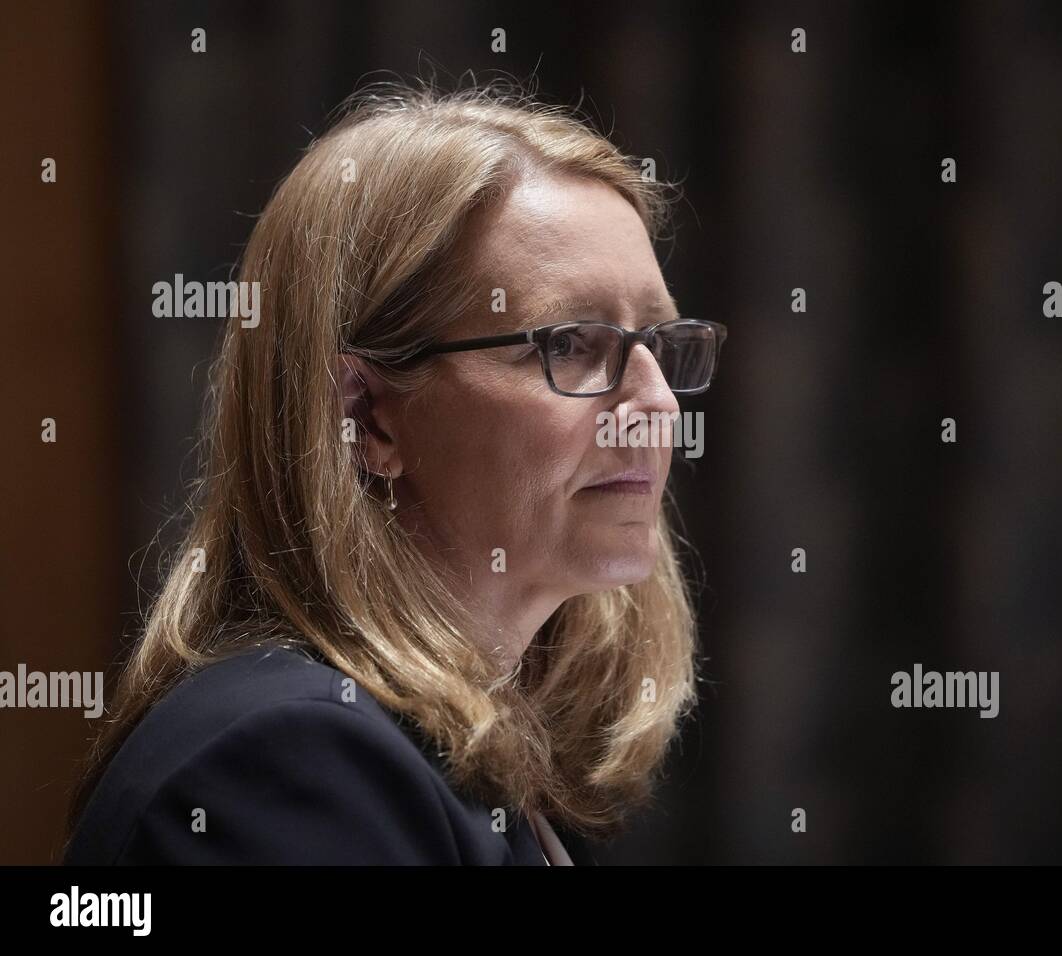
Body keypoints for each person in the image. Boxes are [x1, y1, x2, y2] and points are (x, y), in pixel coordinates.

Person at [62, 78, 726, 865]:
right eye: (572, 344)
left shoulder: (465, 758)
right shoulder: (283, 764)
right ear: (368, 416)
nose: (653, 404)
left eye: (658, 341)